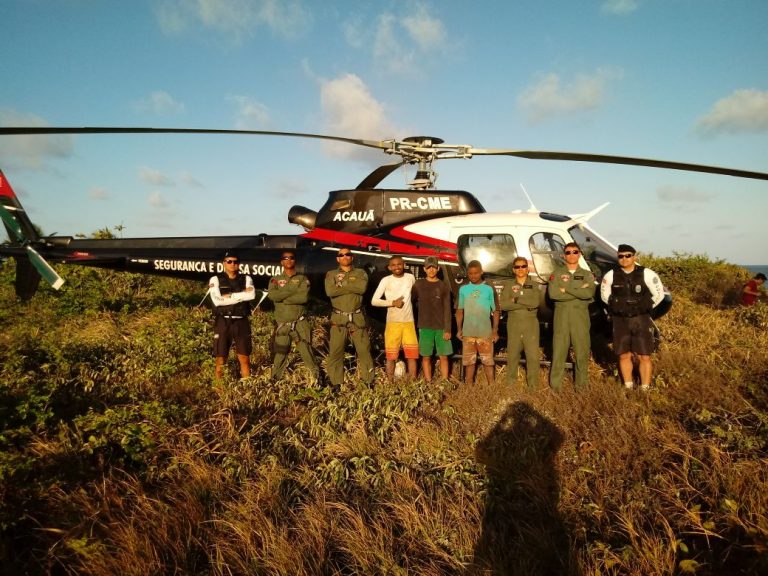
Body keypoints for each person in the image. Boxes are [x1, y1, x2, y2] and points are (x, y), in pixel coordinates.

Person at [600, 244, 665, 391]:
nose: (624, 259)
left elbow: (659, 294)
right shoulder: (611, 275)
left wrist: (645, 308)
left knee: (644, 356)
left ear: (634, 257)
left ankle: (645, 388)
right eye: (621, 256)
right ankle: (628, 386)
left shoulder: (647, 273)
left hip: (641, 319)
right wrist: (619, 307)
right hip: (620, 320)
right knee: (624, 355)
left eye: (628, 255)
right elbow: (605, 296)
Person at [267, 250, 320, 383]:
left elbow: (303, 298)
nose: (288, 260)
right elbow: (272, 296)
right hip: (283, 325)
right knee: (280, 353)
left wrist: (283, 297)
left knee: (307, 352)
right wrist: (292, 291)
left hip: (300, 323)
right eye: (285, 258)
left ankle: (318, 379)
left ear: (295, 261)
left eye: (291, 257)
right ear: (282, 262)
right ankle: (274, 380)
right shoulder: (275, 279)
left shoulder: (302, 278)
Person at [548, 242, 595, 391]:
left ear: (579, 254)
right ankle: (555, 387)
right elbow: (553, 294)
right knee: (559, 351)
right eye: (568, 252)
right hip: (561, 318)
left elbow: (588, 293)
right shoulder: (556, 273)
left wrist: (566, 289)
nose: (572, 255)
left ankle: (581, 387)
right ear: (564, 255)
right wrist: (578, 289)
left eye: (575, 252)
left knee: (582, 352)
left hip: (580, 318)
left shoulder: (587, 274)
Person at [325, 249, 375, 387]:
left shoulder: (360, 273)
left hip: (357, 317)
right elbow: (330, 291)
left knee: (364, 350)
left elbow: (362, 288)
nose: (345, 256)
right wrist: (352, 285)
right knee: (336, 351)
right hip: (338, 318)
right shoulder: (331, 274)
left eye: (347, 254)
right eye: (341, 255)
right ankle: (336, 383)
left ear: (352, 257)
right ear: (337, 259)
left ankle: (368, 381)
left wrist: (341, 285)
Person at [499, 257, 544, 390]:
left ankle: (533, 386)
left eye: (523, 266)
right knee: (513, 355)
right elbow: (504, 305)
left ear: (527, 269)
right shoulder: (508, 285)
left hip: (531, 323)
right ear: (513, 269)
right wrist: (525, 303)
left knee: (533, 356)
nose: (520, 269)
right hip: (514, 323)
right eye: (517, 267)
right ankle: (511, 385)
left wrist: (516, 299)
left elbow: (535, 303)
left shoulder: (534, 285)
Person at [208, 251, 255, 379]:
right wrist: (242, 295)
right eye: (229, 261)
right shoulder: (215, 279)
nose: (232, 264)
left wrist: (229, 296)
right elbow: (217, 301)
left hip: (241, 321)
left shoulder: (247, 278)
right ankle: (219, 387)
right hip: (223, 322)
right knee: (220, 359)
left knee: (244, 358)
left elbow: (251, 295)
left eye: (235, 261)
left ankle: (247, 386)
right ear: (224, 263)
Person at [371, 255, 418, 381]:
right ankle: (390, 383)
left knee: (412, 356)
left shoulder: (410, 277)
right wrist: (392, 303)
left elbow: (414, 294)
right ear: (389, 267)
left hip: (409, 322)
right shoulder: (386, 280)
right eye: (394, 265)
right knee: (391, 356)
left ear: (404, 265)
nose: (397, 267)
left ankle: (413, 383)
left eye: (399, 264)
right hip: (393, 323)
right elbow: (374, 301)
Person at [456, 260, 500, 385]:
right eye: (470, 273)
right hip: (468, 332)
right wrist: (459, 330)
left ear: (481, 272)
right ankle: (469, 387)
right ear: (467, 273)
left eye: (476, 273)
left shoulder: (488, 289)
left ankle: (492, 386)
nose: (473, 275)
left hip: (485, 333)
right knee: (469, 362)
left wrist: (495, 331)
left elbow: (496, 311)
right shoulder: (463, 289)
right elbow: (459, 311)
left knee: (488, 361)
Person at [411, 256, 453, 382]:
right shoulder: (418, 285)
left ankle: (445, 381)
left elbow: (448, 309)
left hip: (441, 327)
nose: (431, 270)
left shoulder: (443, 286)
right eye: (428, 268)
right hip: (424, 326)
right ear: (424, 269)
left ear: (438, 268)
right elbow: (410, 302)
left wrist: (448, 329)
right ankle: (428, 382)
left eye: (433, 267)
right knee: (426, 356)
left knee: (444, 356)